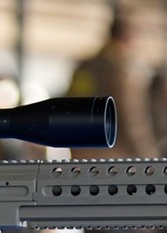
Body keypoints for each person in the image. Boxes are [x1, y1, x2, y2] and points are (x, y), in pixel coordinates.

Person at [66, 13, 157, 158]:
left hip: (81, 148)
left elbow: (70, 104)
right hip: (113, 154)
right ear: (128, 37)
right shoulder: (122, 70)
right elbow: (132, 117)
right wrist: (148, 154)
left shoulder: (85, 66)